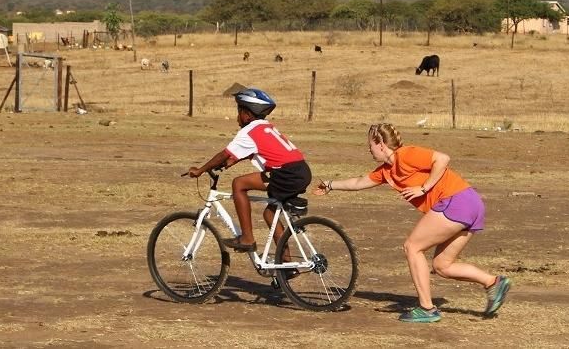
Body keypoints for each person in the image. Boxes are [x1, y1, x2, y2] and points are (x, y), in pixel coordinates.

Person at [314, 123, 510, 323]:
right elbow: (358, 182)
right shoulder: (386, 172)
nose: (369, 150)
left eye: (370, 145)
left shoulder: (406, 154)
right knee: (443, 266)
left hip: (456, 201)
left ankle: (427, 308)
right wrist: (330, 185)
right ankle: (493, 282)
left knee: (412, 246)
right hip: (470, 203)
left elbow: (443, 159)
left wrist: (424, 188)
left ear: (381, 144)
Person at [188, 88, 312, 255]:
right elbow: (256, 150)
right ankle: (287, 266)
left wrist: (201, 170)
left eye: (238, 112)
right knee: (270, 214)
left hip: (285, 174)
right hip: (301, 171)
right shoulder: (265, 127)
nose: (236, 117)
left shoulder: (248, 131)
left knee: (238, 184)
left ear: (247, 114)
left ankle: (247, 238)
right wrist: (233, 160)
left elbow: (224, 153)